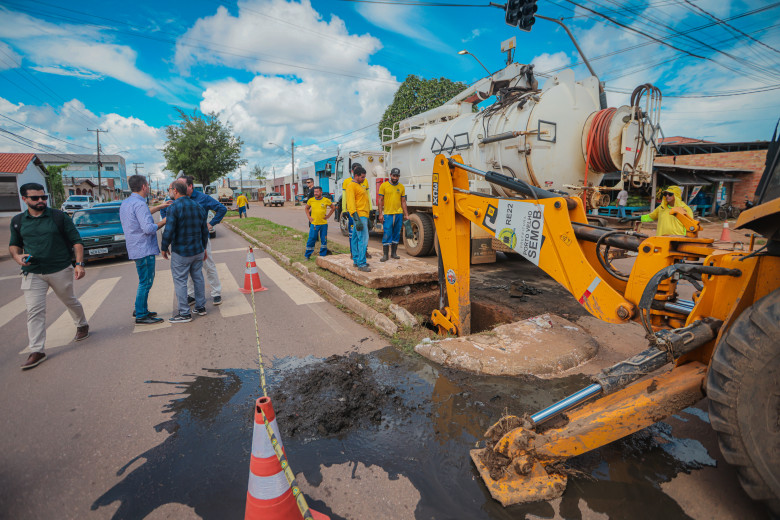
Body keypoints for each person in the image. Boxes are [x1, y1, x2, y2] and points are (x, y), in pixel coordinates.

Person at [9, 183, 89, 370]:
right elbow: (14, 245)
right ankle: (37, 350)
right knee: (34, 311)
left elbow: (76, 241)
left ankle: (82, 324)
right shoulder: (18, 221)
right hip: (33, 272)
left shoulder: (59, 217)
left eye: (43, 197)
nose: (41, 201)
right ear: (24, 199)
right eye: (35, 198)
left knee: (69, 300)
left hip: (59, 269)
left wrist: (79, 264)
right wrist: (17, 257)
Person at [120, 175, 170, 325]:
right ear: (143, 187)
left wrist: (160, 207)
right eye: (147, 185)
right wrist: (165, 220)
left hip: (135, 247)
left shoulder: (127, 202)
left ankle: (140, 308)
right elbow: (148, 228)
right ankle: (141, 315)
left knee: (143, 280)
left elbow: (142, 214)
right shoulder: (140, 204)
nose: (148, 188)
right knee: (146, 282)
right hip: (144, 248)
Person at [160, 182, 209, 323]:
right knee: (198, 278)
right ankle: (200, 307)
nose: (169, 191)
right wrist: (204, 247)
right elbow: (204, 231)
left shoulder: (173, 207)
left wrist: (164, 247)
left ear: (175, 191)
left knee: (180, 280)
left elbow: (169, 230)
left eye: (170, 189)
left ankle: (184, 313)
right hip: (197, 250)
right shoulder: (198, 206)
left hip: (181, 251)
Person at [180, 175, 227, 306]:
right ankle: (191, 295)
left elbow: (222, 209)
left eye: (182, 185)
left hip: (201, 238)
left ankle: (216, 293)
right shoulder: (180, 199)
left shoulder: (203, 198)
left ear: (190, 186)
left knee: (208, 265)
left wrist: (211, 224)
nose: (178, 188)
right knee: (189, 268)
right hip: (186, 240)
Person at [377, 167, 409, 262]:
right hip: (388, 214)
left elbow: (403, 201)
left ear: (399, 176)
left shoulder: (401, 187)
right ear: (390, 175)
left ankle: (394, 253)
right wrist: (380, 214)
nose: (395, 178)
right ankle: (385, 255)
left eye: (397, 176)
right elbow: (380, 200)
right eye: (394, 175)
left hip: (399, 214)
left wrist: (406, 214)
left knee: (397, 233)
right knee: (387, 233)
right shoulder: (384, 185)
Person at [345, 164, 371, 272]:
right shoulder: (351, 186)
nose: (364, 179)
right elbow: (351, 203)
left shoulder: (359, 186)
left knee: (355, 238)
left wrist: (368, 217)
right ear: (356, 176)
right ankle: (361, 263)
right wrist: (356, 219)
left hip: (363, 215)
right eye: (362, 177)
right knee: (363, 239)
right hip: (359, 216)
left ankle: (356, 260)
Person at [304, 186, 335, 260]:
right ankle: (307, 255)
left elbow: (333, 207)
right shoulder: (311, 200)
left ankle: (322, 255)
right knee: (311, 239)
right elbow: (306, 208)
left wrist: (328, 216)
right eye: (315, 192)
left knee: (324, 240)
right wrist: (309, 217)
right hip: (314, 224)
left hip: (323, 224)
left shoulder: (326, 200)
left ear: (321, 192)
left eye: (317, 192)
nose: (315, 193)